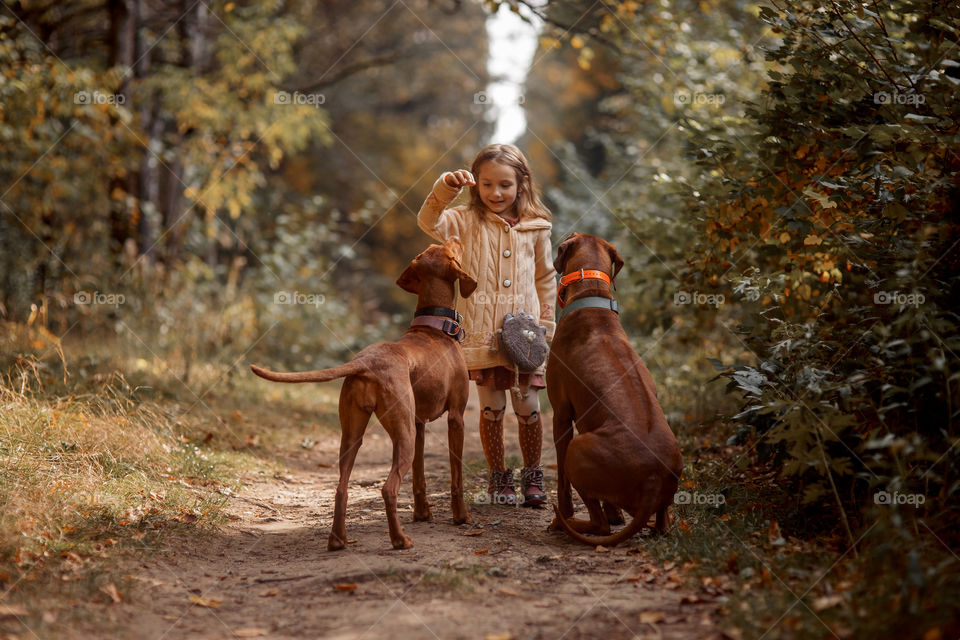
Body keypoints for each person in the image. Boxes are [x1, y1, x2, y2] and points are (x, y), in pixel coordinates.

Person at [417, 143, 556, 507]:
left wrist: (547, 323)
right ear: (476, 185)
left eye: (505, 185)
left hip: (526, 335)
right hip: (481, 335)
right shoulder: (462, 220)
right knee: (492, 408)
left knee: (528, 407)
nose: (496, 193)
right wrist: (446, 186)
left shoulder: (537, 227)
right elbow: (427, 221)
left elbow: (545, 277)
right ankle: (499, 478)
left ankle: (533, 476)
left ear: (522, 184)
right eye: (487, 184)